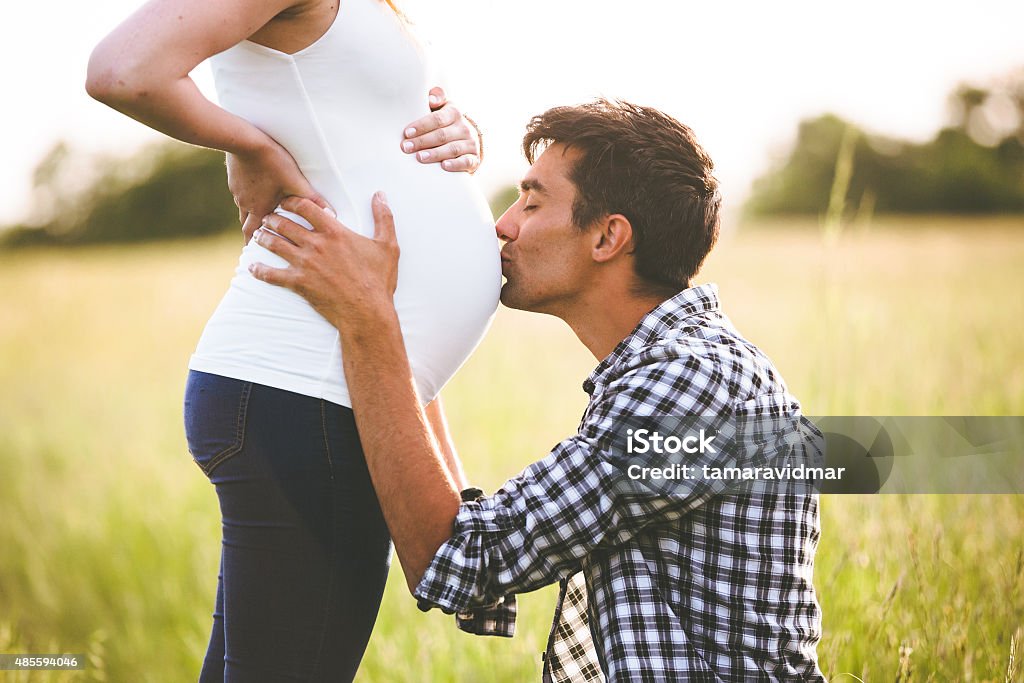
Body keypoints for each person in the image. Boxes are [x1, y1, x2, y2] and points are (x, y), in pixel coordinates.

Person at [249, 99, 827, 681]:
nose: (504, 224)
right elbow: (481, 552)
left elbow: (463, 562)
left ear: (607, 238)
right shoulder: (679, 369)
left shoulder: (686, 385)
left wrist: (367, 321)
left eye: (532, 201)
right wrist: (398, 330)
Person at [85, 0, 500, 679]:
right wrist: (250, 146)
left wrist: (458, 130)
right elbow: (122, 71)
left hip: (324, 391)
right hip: (299, 387)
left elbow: (344, 118)